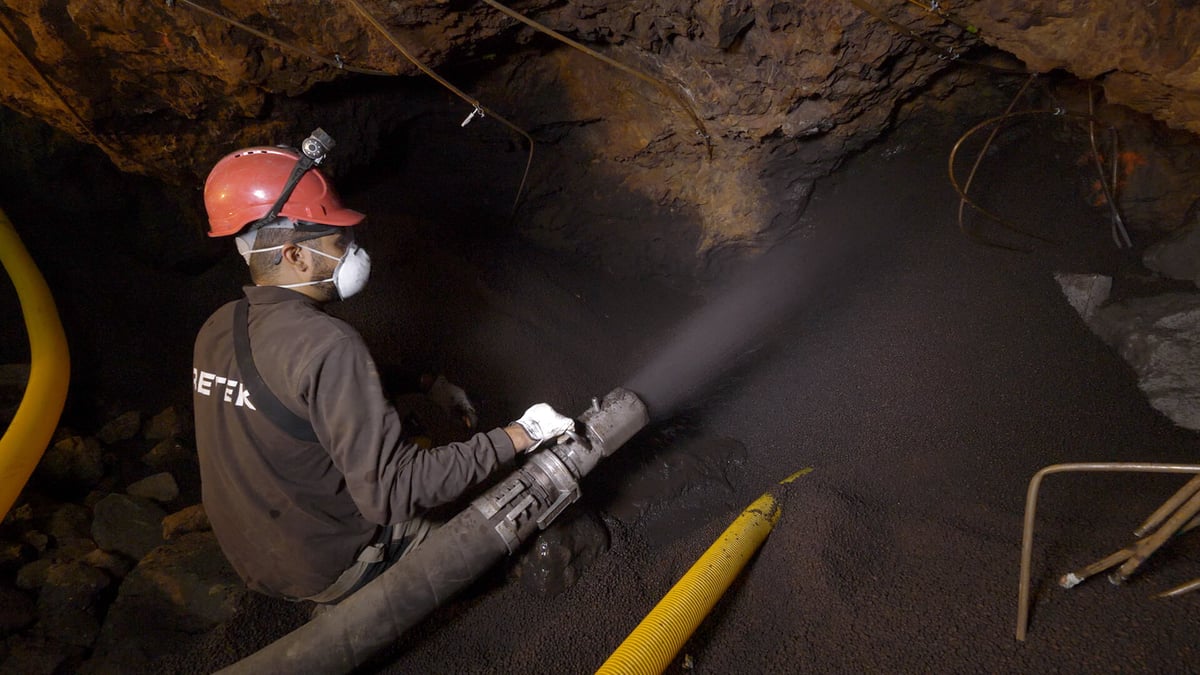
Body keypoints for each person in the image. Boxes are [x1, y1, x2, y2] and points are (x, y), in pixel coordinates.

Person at [191, 142, 575, 605]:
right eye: (338, 239)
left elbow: (294, 384)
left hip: (258, 556)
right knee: (519, 542)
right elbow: (394, 492)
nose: (353, 249)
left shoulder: (219, 326)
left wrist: (424, 385)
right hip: (331, 561)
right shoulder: (329, 344)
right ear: (295, 256)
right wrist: (519, 435)